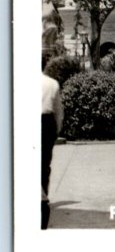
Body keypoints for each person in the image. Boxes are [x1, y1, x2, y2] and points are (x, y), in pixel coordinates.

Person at [42, 53, 64, 229]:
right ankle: (42, 197)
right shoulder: (52, 84)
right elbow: (58, 112)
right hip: (46, 123)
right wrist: (55, 131)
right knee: (44, 165)